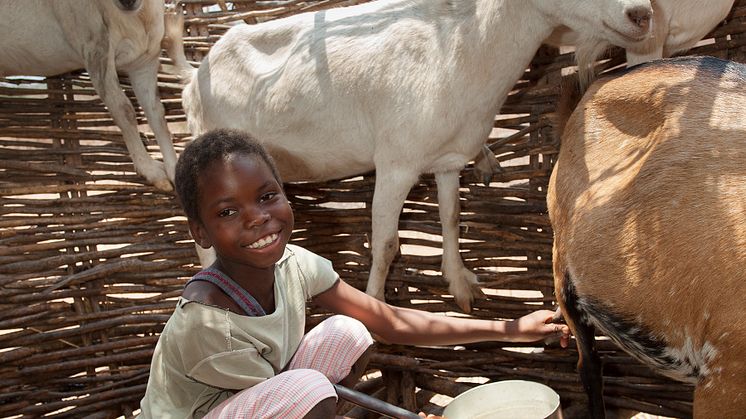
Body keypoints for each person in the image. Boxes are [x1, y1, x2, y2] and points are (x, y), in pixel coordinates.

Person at [137, 128, 570, 419]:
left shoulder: (292, 265)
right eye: (228, 211)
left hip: (256, 398)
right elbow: (292, 397)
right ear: (201, 231)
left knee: (349, 331)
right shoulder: (209, 326)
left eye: (267, 196)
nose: (256, 219)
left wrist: (510, 328)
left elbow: (390, 322)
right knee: (307, 389)